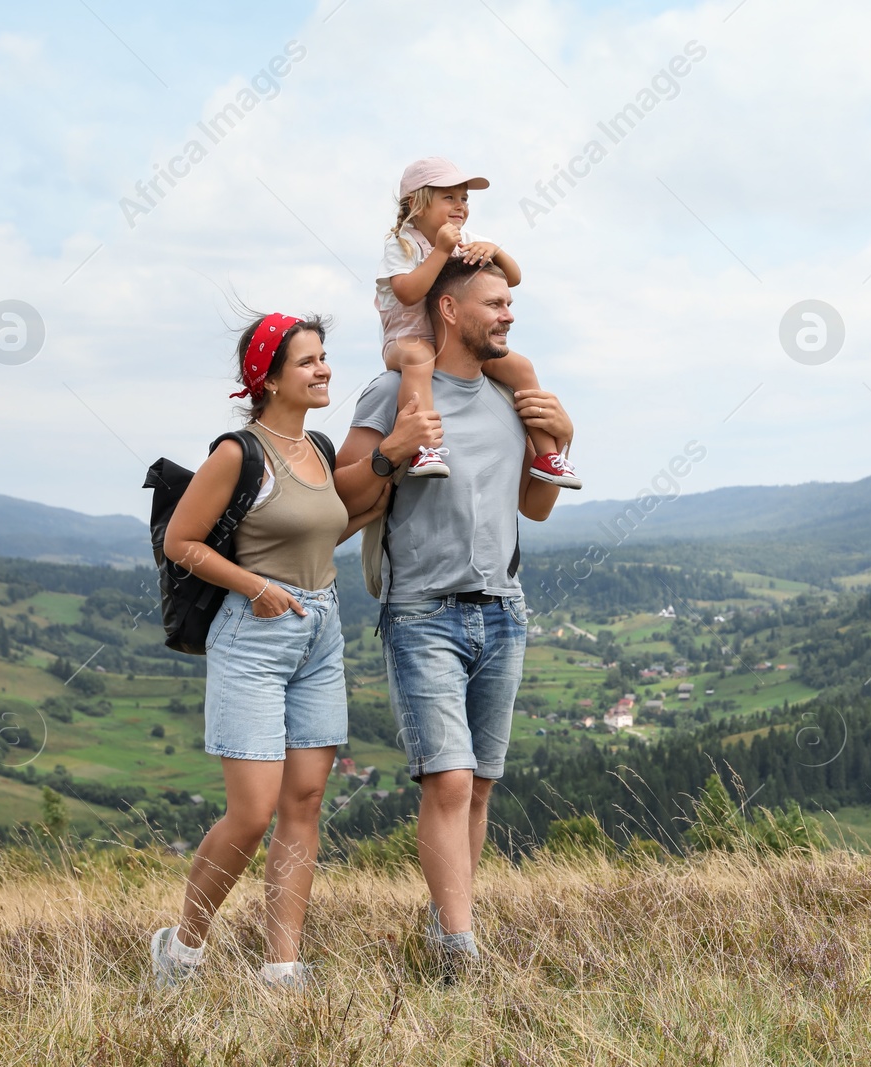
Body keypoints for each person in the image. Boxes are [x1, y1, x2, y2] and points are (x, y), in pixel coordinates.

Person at [149, 312, 413, 989]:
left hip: (322, 630)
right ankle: (181, 949)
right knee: (253, 810)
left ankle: (283, 965)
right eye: (308, 361)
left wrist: (390, 463)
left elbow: (333, 526)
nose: (323, 369)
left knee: (305, 801)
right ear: (267, 378)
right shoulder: (239, 454)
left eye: (324, 357)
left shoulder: (320, 450)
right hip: (255, 635)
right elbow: (183, 542)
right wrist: (255, 586)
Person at [338, 257, 572, 969]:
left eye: (509, 305)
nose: (507, 315)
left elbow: (534, 506)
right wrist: (391, 454)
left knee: (477, 789)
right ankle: (460, 948)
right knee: (448, 778)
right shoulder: (390, 392)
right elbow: (341, 500)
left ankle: (448, 930)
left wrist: (560, 441)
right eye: (494, 304)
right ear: (448, 309)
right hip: (422, 612)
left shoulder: (510, 395)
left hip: (504, 610)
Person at [375, 156, 581, 489]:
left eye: (465, 198)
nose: (460, 206)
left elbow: (513, 278)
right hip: (408, 340)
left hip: (455, 341)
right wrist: (441, 251)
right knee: (419, 358)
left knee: (521, 368)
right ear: (416, 202)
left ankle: (547, 456)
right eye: (449, 197)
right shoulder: (402, 243)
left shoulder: (467, 236)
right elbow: (408, 293)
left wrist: (495, 251)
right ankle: (425, 448)